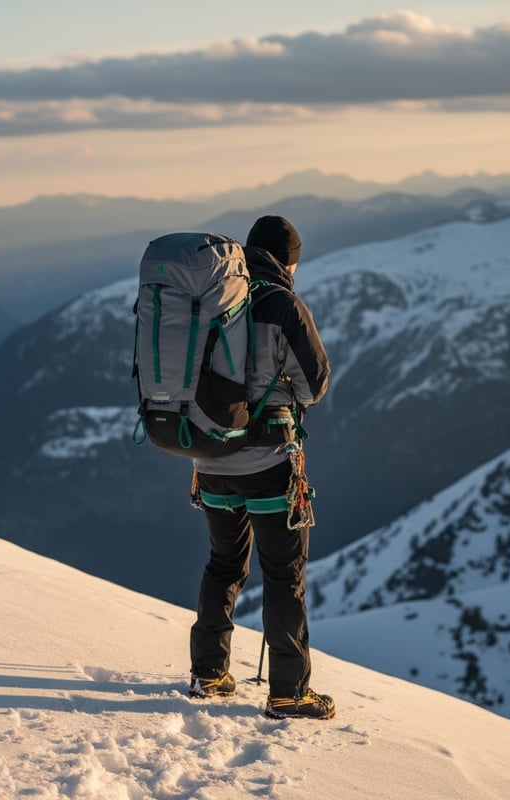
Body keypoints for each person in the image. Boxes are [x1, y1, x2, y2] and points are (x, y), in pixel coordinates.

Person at [187, 215, 333, 720]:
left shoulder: (211, 298)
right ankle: (289, 692)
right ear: (289, 259)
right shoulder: (283, 305)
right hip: (269, 462)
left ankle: (208, 673)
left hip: (208, 459)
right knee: (283, 574)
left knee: (223, 563)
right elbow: (313, 385)